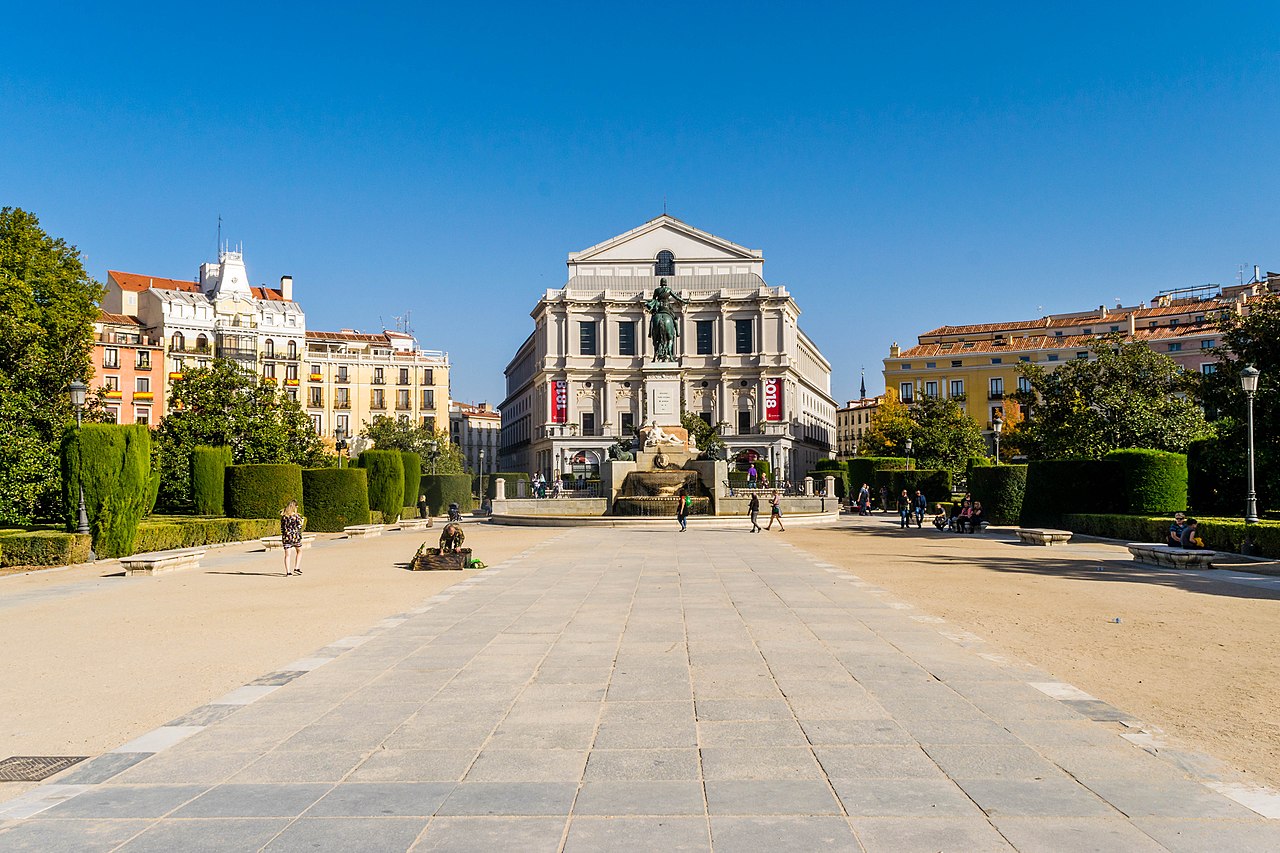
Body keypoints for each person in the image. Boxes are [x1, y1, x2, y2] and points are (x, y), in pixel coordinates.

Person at [280, 499, 305, 577]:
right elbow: (299, 526)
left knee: (287, 554)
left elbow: (282, 528)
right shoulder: (296, 516)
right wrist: (302, 521)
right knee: (299, 551)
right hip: (295, 537)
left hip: (286, 537)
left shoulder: (284, 517)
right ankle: (296, 567)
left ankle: (288, 572)